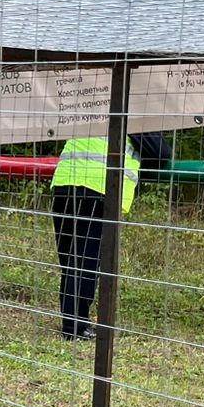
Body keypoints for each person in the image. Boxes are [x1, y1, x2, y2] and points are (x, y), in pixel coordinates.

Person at [49, 131, 171, 340]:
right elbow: (161, 152)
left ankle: (72, 320)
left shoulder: (92, 107)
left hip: (63, 185)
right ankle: (74, 328)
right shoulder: (130, 112)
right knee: (86, 261)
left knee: (70, 260)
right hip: (100, 189)